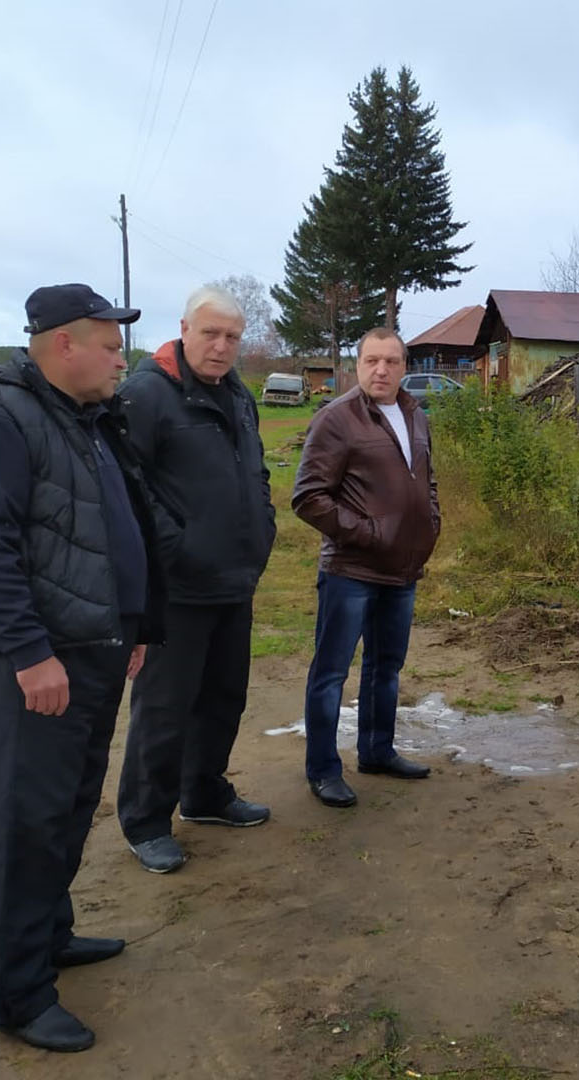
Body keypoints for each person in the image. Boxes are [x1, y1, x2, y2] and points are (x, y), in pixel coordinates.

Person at [0, 283, 164, 1052]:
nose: (121, 357)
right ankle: (18, 993)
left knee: (68, 810)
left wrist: (136, 625)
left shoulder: (86, 417)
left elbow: (112, 528)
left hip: (96, 649)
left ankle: (51, 936)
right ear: (63, 344)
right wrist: (30, 653)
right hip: (42, 664)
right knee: (25, 823)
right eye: (109, 344)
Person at [116, 285, 276, 873]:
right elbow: (130, 490)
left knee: (223, 697)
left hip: (234, 577)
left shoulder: (237, 394)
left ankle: (204, 793)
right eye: (210, 333)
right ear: (184, 328)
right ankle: (145, 819)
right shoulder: (146, 395)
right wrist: (175, 549)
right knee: (165, 707)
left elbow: (255, 470)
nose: (221, 346)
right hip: (177, 587)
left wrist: (262, 526)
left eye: (232, 336)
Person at [292, 327, 439, 808]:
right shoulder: (336, 419)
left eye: (391, 361)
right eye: (372, 360)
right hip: (351, 570)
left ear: (404, 367)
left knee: (386, 668)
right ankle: (322, 769)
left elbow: (427, 480)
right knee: (331, 672)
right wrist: (368, 533)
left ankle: (376, 751)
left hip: (402, 570)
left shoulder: (416, 416)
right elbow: (308, 497)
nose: (382, 370)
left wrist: (430, 522)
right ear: (356, 366)